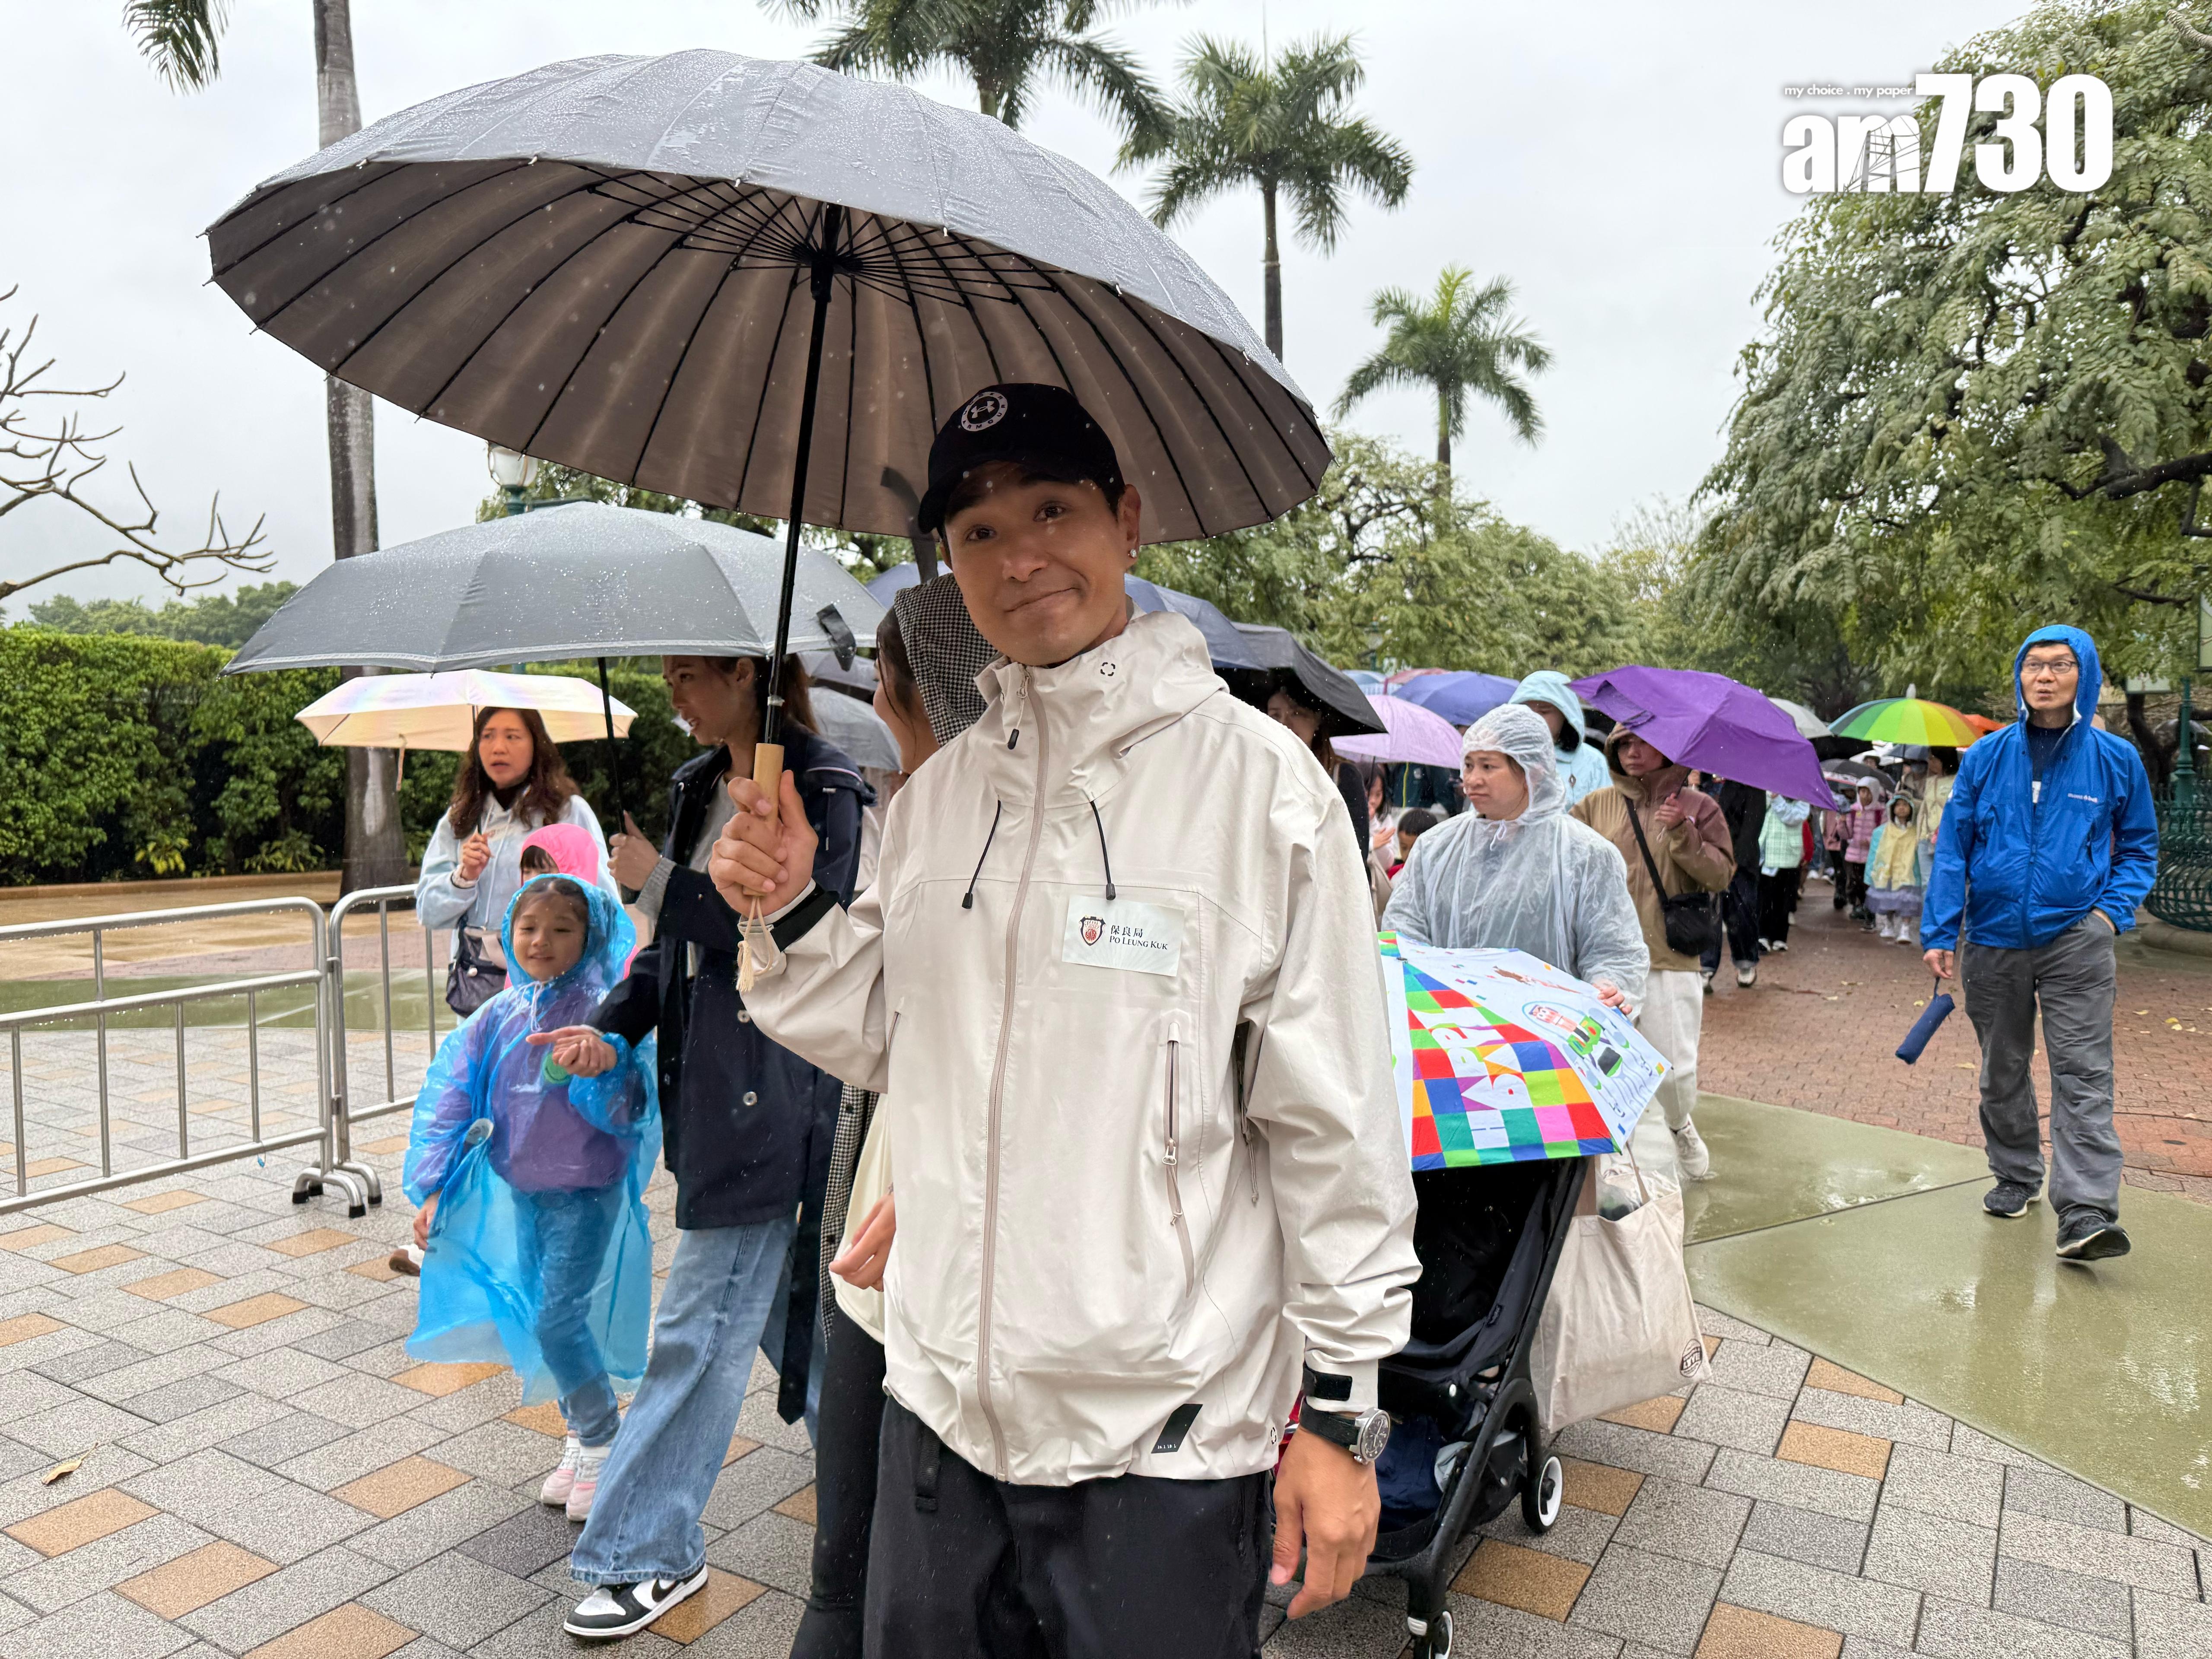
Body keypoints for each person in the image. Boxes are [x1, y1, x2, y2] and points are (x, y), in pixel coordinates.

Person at [711, 382, 1417, 1656]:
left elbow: (1334, 1125)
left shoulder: (1258, 792)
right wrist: (783, 910)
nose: (1018, 554)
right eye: (976, 531)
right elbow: (881, 1030)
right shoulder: (938, 801)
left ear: (1125, 520)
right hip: (936, 1421)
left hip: (1161, 1447)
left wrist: (1336, 1411)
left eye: (1051, 509)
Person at [544, 656, 869, 1640]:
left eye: (692, 675)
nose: (674, 692)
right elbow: (667, 950)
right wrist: (610, 1023)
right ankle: (886, 1499)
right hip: (703, 1097)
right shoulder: (695, 786)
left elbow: (809, 943)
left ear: (750, 676)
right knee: (780, 1325)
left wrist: (668, 880)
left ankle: (647, 1549)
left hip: (772, 1097)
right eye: (669, 673)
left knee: (698, 1328)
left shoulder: (822, 785)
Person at [791, 607, 948, 1659]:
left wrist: (951, 1183)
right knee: (848, 1568)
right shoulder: (921, 815)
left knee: (888, 1571)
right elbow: (868, 1019)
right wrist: (789, 906)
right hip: (879, 1242)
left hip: (926, 1242)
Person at [402, 875, 658, 1522]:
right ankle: (583, 1434)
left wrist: (600, 1068)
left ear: (592, 936)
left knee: (556, 1317)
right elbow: (450, 1098)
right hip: (525, 1191)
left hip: (585, 1193)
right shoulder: (499, 1014)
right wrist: (434, 1186)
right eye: (529, 927)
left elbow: (632, 1109)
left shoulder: (605, 1012)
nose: (541, 941)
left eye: (562, 929)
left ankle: (602, 1437)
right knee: (543, 1315)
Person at [1922, 626, 2158, 1262]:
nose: (2045, 676)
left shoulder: (2116, 760)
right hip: (1993, 938)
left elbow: (2138, 848)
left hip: (2076, 938)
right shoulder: (1986, 756)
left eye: (2060, 665)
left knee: (2083, 1074)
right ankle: (2017, 1174)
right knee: (2002, 1071)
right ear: (2019, 677)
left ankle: (2084, 1212)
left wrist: (2109, 916)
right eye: (2033, 665)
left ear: (2084, 673)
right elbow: (1954, 848)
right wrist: (1941, 930)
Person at [1382, 703, 1646, 1007]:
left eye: (1488, 766)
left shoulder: (1585, 856)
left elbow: (1613, 950)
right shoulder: (1436, 847)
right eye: (1468, 765)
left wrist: (1608, 986)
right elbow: (1404, 931)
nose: (1472, 779)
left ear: (1531, 772)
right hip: (1452, 1025)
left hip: (1549, 1031)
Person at [1571, 730, 1734, 1184]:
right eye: (1622, 746)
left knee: (1675, 1070)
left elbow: (1720, 876)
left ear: (1667, 748)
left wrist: (1682, 833)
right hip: (1603, 959)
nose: (1632, 752)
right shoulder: (1593, 806)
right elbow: (1566, 864)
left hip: (1668, 956)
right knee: (1601, 1065)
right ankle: (1613, 1156)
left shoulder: (1700, 807)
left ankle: (1679, 1125)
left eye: (1642, 743)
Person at [417, 707, 618, 1015]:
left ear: (537, 745)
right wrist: (464, 877)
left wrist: (555, 889)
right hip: (479, 990)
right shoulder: (460, 819)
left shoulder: (567, 812)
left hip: (552, 990)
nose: (498, 747)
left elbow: (606, 906)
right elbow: (429, 912)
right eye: (487, 737)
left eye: (513, 736)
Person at [1266, 675, 1373, 863]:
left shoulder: (1343, 776)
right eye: (1275, 714)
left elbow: (1356, 851)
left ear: (1317, 720)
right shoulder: (1261, 772)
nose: (1284, 722)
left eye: (1297, 713)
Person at [1698, 775, 1767, 992]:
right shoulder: (1703, 783)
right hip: (1706, 857)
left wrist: (1735, 860)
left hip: (1740, 863)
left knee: (1741, 913)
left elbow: (1752, 828)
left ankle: (1746, 962)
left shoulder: (1752, 785)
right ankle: (1706, 966)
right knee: (1710, 913)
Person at [1509, 670, 1609, 806]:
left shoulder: (1593, 762)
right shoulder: (1504, 756)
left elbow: (1605, 818)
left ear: (1566, 715)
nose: (1533, 719)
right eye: (1526, 711)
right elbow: (1483, 816)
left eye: (1544, 712)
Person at [1864, 796, 1926, 942]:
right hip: (1888, 873)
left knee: (1908, 902)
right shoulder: (1882, 832)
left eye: (1906, 805)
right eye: (1898, 805)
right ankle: (1889, 925)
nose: (1902, 808)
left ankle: (1905, 929)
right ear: (1892, 809)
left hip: (1908, 874)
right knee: (1888, 901)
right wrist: (1870, 874)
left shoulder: (1916, 832)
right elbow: (1874, 854)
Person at [1756, 796, 1811, 953]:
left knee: (1784, 899)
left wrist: (1777, 799)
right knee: (1765, 899)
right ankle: (1763, 936)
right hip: (1767, 855)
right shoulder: (1768, 791)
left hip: (1789, 856)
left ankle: (1780, 937)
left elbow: (1793, 817)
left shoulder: (1801, 798)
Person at [1841, 781, 1883, 924]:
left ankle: (1870, 913)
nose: (1864, 796)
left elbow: (1884, 833)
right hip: (1853, 855)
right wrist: (1841, 823)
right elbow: (1846, 835)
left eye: (1868, 792)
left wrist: (1870, 841)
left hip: (1871, 857)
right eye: (1862, 792)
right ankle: (1860, 908)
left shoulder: (1880, 812)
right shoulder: (1853, 811)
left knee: (1868, 885)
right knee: (1855, 883)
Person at [1391, 807, 1438, 877]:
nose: (1408, 855)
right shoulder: (1395, 874)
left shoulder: (1437, 876)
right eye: (1404, 848)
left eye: (1414, 848)